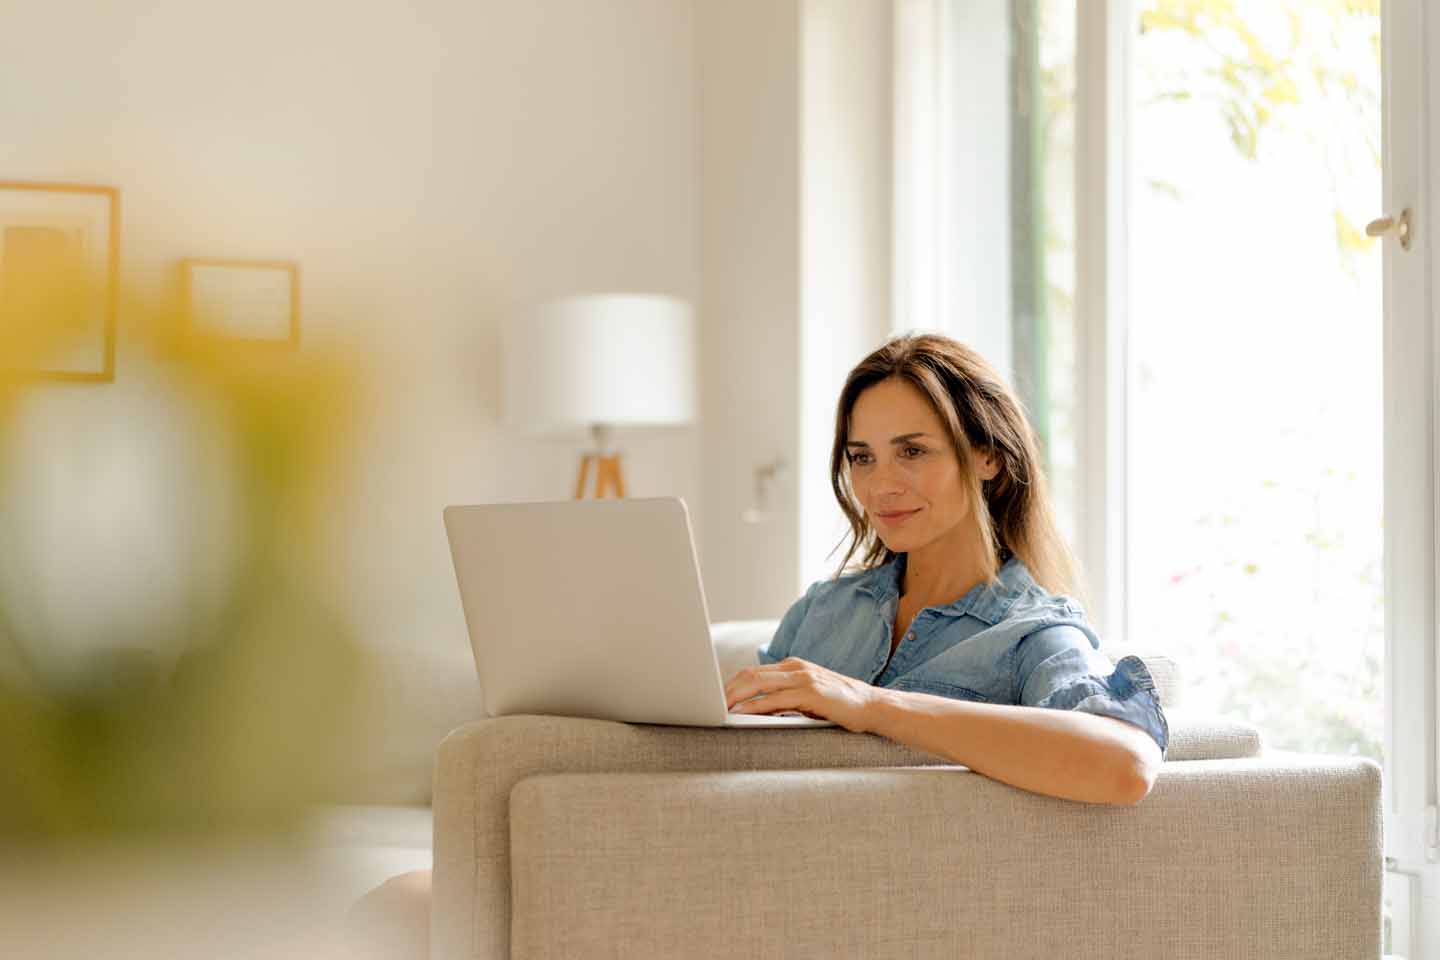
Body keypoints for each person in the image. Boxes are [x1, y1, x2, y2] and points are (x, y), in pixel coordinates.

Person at [722, 332, 1168, 806]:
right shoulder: (822, 609)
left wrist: (871, 705)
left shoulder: (1030, 633)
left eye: (912, 451)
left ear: (988, 456)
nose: (880, 486)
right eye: (862, 458)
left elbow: (1125, 766)